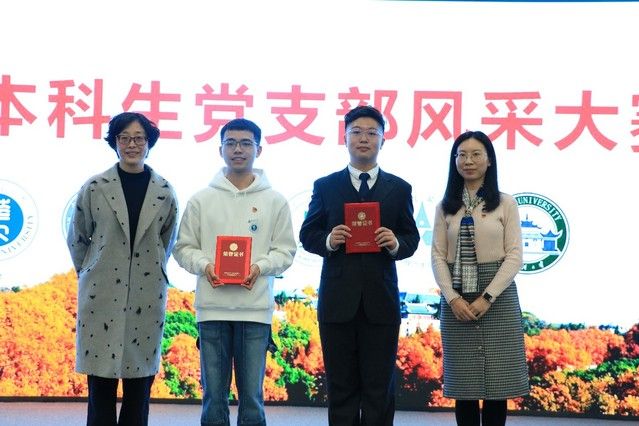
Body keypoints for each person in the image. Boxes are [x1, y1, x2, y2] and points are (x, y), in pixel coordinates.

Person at [299, 105, 420, 425]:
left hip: (381, 301)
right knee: (341, 387)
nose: (363, 138)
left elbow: (411, 238)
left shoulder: (399, 188)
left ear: (383, 140)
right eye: (356, 132)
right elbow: (308, 234)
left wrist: (395, 243)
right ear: (345, 138)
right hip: (337, 301)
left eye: (371, 133)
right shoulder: (325, 186)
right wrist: (329, 239)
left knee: (380, 388)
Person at [172, 118, 296, 426]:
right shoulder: (201, 199)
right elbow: (183, 247)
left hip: (255, 311)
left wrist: (260, 267)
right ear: (221, 150)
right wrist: (205, 266)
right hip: (212, 310)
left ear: (258, 150)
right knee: (213, 398)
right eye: (230, 143)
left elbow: (285, 251)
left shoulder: (275, 201)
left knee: (252, 399)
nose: (237, 149)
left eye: (245, 143)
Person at [66, 112, 178, 426]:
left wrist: (149, 270)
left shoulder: (164, 190)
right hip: (101, 294)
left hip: (146, 295)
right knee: (100, 386)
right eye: (124, 138)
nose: (132, 144)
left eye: (139, 138)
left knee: (139, 388)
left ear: (149, 143)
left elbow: (167, 241)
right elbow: (78, 237)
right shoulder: (95, 186)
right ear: (114, 142)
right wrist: (91, 270)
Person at [431, 130, 529, 426]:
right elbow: (437, 256)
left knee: (498, 388)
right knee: (465, 386)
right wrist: (452, 298)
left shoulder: (505, 203)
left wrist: (488, 297)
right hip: (456, 296)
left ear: (489, 160)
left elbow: (514, 256)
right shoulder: (445, 206)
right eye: (462, 155)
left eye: (476, 154)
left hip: (498, 296)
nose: (468, 161)